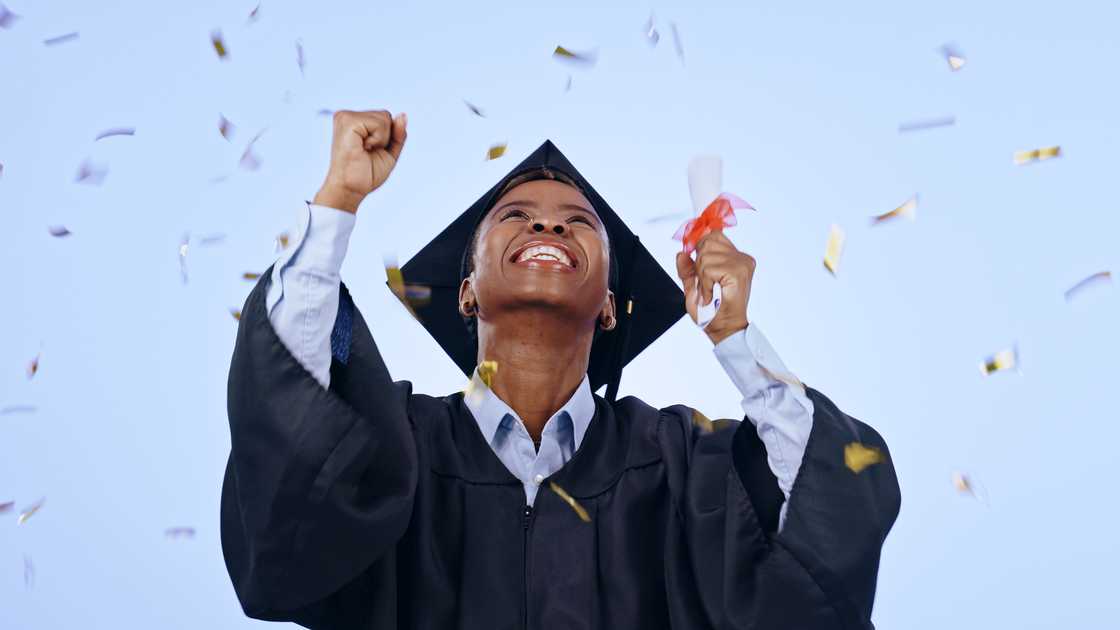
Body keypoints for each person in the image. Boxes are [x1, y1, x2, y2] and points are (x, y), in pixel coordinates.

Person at [220, 109, 900, 630]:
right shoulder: (397, 451)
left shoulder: (682, 464)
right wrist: (336, 203)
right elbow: (286, 454)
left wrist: (735, 338)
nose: (547, 228)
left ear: (608, 304)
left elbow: (829, 519)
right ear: (466, 290)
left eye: (577, 223)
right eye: (516, 216)